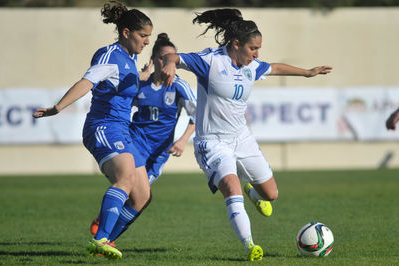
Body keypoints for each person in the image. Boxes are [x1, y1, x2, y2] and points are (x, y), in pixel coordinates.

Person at [161, 8, 332, 261]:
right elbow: (174, 56)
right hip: (213, 142)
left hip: (241, 137)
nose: (257, 54)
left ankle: (252, 192)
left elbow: (274, 67)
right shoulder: (211, 61)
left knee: (271, 194)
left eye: (259, 49)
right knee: (231, 187)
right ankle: (250, 245)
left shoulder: (252, 67)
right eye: (253, 48)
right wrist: (170, 66)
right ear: (236, 44)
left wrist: (307, 72)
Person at [33, 1, 153, 260]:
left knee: (142, 195)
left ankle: (105, 241)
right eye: (143, 36)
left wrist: (146, 75)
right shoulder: (110, 55)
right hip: (103, 126)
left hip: (123, 130)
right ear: (126, 32)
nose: (146, 42)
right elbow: (86, 82)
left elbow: (123, 81)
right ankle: (100, 239)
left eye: (149, 37)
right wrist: (58, 107)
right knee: (125, 178)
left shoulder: (130, 59)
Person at [90, 33, 197, 240]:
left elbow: (196, 117)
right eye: (162, 58)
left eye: (171, 58)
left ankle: (106, 231)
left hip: (159, 152)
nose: (166, 62)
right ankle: (106, 239)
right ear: (154, 60)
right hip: (135, 143)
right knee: (133, 190)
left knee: (142, 199)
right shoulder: (140, 83)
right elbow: (120, 105)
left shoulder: (179, 86)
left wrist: (183, 141)